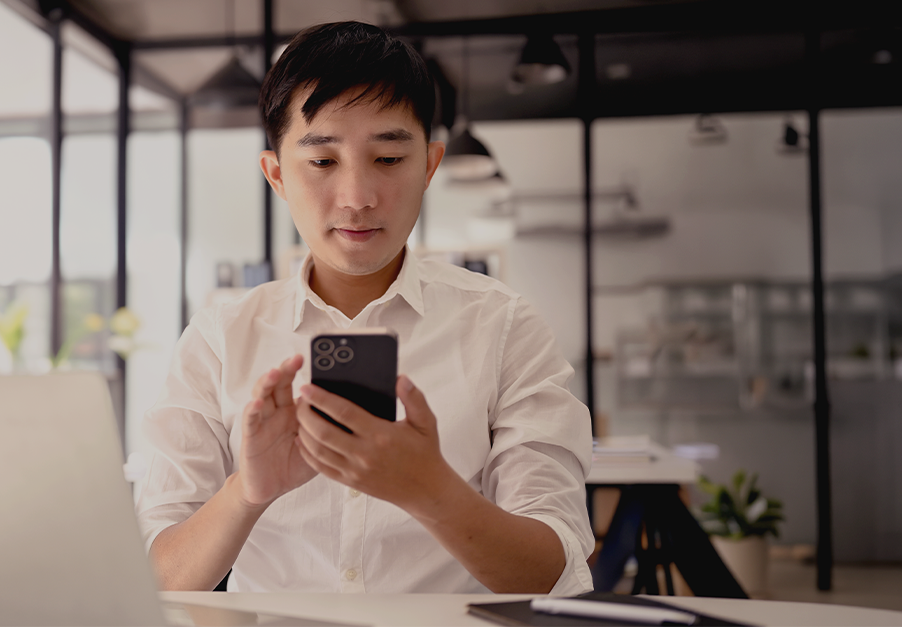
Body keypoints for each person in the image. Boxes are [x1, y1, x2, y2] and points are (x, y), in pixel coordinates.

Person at [136, 21, 594, 595]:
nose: (357, 198)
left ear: (429, 166)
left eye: (389, 158)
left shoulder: (502, 326)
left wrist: (432, 492)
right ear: (277, 175)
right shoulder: (220, 339)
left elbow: (555, 572)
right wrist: (245, 493)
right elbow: (157, 577)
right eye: (323, 162)